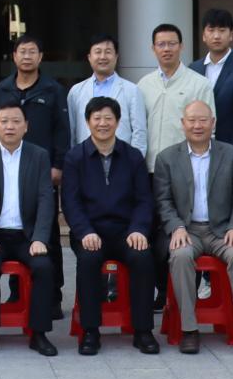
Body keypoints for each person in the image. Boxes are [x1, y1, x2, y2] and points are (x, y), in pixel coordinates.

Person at [152, 99, 233, 355]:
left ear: (213, 123)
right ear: (183, 124)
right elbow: (163, 201)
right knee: (180, 257)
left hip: (222, 231)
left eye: (203, 120)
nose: (197, 126)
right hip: (187, 231)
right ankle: (189, 329)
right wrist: (176, 227)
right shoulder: (167, 158)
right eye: (192, 120)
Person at [63, 96, 160, 356]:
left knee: (142, 258)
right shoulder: (75, 157)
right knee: (88, 260)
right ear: (87, 122)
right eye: (97, 118)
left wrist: (139, 229)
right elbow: (70, 202)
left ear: (118, 122)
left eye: (108, 118)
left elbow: (144, 199)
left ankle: (143, 330)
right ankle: (90, 330)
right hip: (90, 231)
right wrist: (84, 231)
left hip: (126, 231)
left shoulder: (132, 156)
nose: (103, 123)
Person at [0, 104, 58, 356]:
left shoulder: (38, 155)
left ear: (26, 126)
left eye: (16, 121)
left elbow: (46, 199)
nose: (10, 126)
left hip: (27, 236)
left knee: (43, 267)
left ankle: (39, 333)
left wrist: (40, 238)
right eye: (4, 121)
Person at [0, 33, 69, 310]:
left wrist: (58, 165)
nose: (27, 56)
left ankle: (53, 296)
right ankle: (17, 293)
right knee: (16, 232)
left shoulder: (53, 89)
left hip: (43, 173)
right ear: (14, 56)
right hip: (9, 171)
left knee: (48, 234)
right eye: (22, 51)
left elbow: (62, 130)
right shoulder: (1, 90)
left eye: (32, 51)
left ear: (40, 57)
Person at [136, 24, 212, 160]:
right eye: (161, 44)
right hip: (150, 163)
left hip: (185, 163)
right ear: (153, 48)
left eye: (172, 44)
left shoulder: (200, 84)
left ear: (181, 46)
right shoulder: (143, 85)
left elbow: (209, 129)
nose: (166, 49)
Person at [191, 7, 233, 152]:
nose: (216, 36)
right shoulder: (193, 68)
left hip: (229, 149)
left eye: (222, 30)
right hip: (197, 149)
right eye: (211, 30)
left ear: (231, 35)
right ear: (203, 36)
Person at [70, 33, 148, 152]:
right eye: (98, 52)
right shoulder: (76, 91)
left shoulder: (132, 90)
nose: (103, 57)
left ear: (116, 56)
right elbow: (72, 132)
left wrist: (134, 160)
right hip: (85, 159)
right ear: (89, 57)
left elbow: (139, 133)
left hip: (121, 158)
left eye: (108, 52)